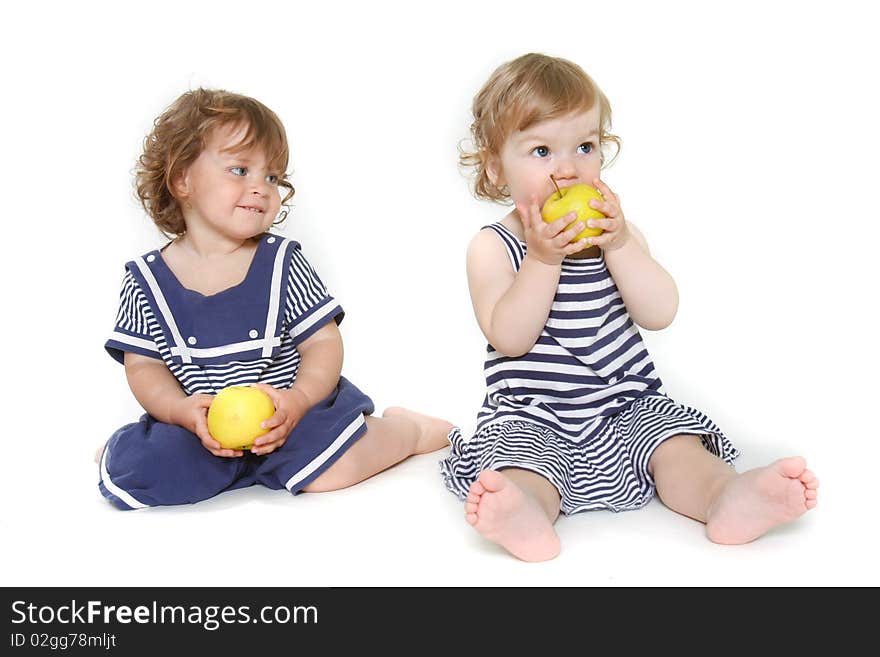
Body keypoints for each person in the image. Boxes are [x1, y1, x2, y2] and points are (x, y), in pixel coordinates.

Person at [440, 53, 819, 561]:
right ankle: (524, 511)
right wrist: (543, 259)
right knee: (520, 465)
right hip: (533, 416)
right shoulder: (493, 247)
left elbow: (660, 311)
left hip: (625, 409)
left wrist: (620, 247)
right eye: (541, 151)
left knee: (677, 447)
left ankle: (725, 497)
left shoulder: (617, 235)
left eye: (584, 146)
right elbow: (510, 337)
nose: (568, 168)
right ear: (495, 167)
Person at [98, 88, 452, 510]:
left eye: (271, 177)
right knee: (145, 469)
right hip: (202, 430)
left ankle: (404, 431)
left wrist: (299, 399)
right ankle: (129, 451)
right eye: (239, 170)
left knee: (332, 470)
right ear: (182, 179)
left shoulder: (281, 262)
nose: (261, 188)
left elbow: (321, 342)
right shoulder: (146, 281)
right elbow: (145, 367)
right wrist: (178, 410)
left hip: (290, 420)